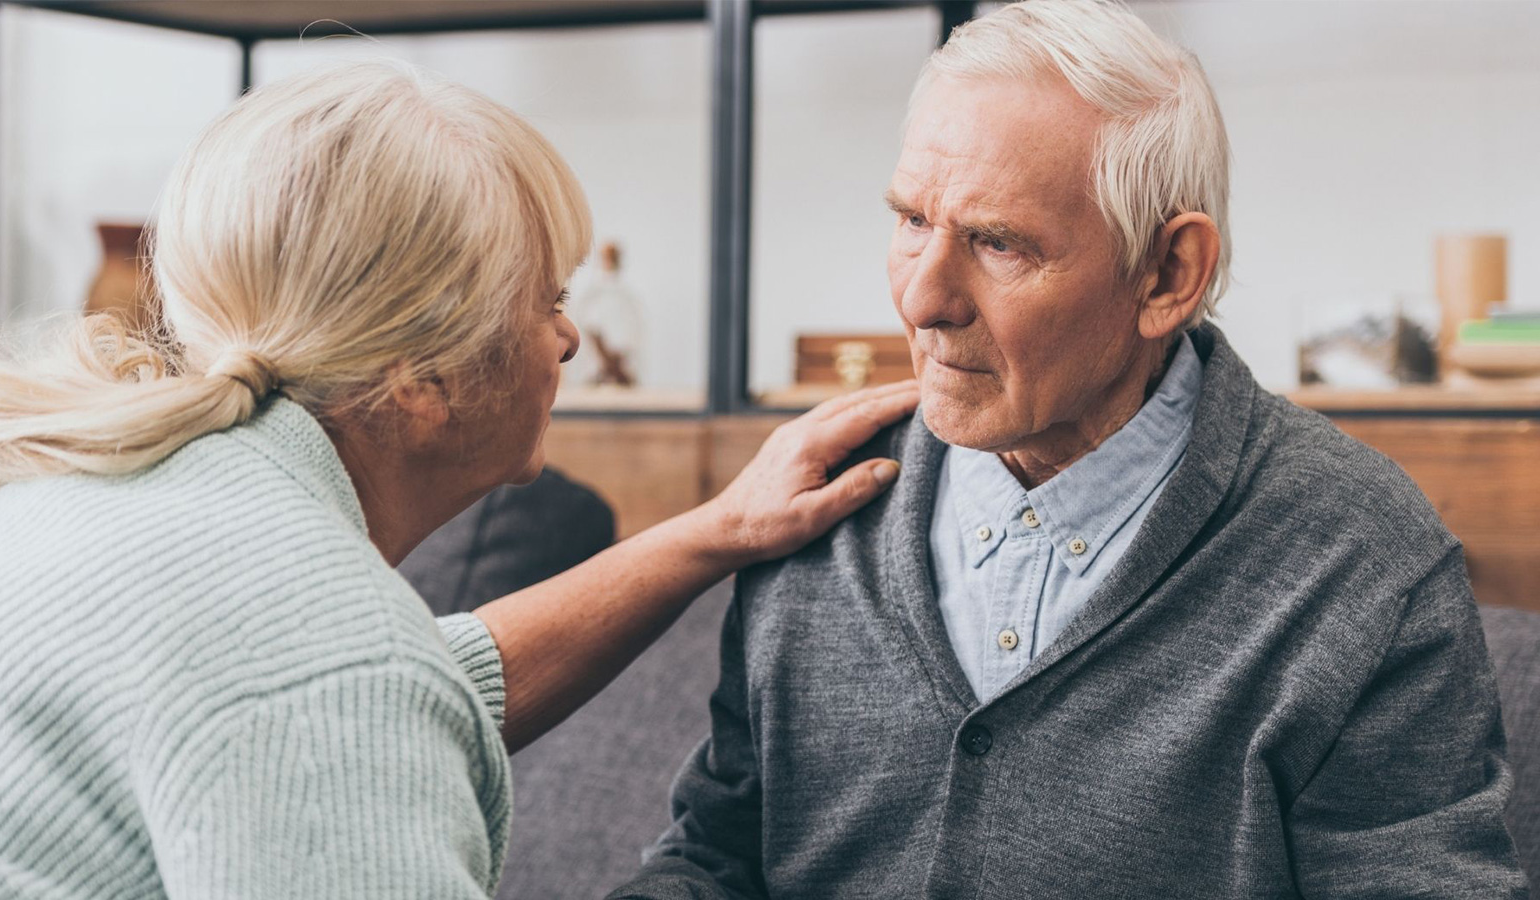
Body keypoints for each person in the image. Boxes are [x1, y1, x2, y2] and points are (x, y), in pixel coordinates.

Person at [611, 2, 1528, 897]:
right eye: (912, 221)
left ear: (1169, 275)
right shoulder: (816, 500)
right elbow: (715, 854)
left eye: (998, 242)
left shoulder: (1362, 560)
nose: (922, 301)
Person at [0, 61, 919, 900]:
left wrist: (714, 530)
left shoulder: (90, 498)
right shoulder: (329, 673)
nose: (571, 339)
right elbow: (345, 696)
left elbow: (399, 685)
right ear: (424, 378)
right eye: (548, 300)